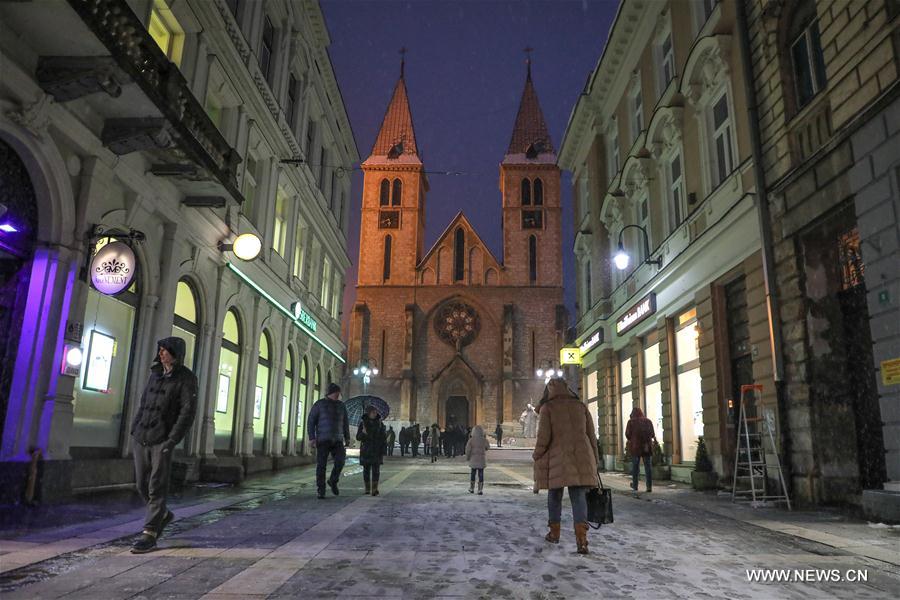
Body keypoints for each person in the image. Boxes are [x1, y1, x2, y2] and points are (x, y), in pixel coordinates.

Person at [129, 337, 197, 554]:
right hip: (142, 436)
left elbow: (187, 412)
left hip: (162, 439)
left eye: (165, 350)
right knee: (141, 484)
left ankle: (150, 532)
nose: (161, 354)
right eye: (159, 350)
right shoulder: (155, 374)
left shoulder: (186, 378)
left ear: (175, 353)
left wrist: (172, 440)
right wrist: (134, 427)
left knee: (156, 485)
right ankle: (163, 515)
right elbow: (144, 401)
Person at [532, 377, 599, 555]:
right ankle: (582, 540)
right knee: (579, 497)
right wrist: (595, 459)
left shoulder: (549, 408)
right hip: (581, 457)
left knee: (555, 495)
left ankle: (554, 533)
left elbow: (543, 438)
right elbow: (591, 435)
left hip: (558, 459)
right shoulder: (580, 406)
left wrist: (537, 454)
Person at [307, 382, 351, 499]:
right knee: (321, 465)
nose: (338, 395)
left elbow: (345, 422)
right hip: (323, 439)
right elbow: (311, 421)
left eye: (339, 393)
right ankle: (321, 489)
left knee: (340, 461)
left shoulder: (341, 406)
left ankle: (333, 480)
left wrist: (347, 437)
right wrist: (312, 438)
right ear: (331, 393)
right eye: (337, 393)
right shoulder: (319, 405)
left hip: (337, 439)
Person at [356, 406, 386, 496]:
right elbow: (358, 437)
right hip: (366, 450)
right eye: (373, 412)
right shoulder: (363, 424)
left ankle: (374, 489)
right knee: (366, 470)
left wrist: (384, 449)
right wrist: (363, 433)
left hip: (377, 450)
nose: (375, 413)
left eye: (375, 412)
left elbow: (383, 438)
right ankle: (367, 488)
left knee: (376, 470)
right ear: (368, 413)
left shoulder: (380, 424)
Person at [625, 407, 656, 495]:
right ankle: (649, 487)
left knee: (635, 467)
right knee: (648, 467)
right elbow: (652, 434)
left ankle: (635, 485)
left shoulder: (631, 422)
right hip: (647, 447)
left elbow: (627, 434)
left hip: (636, 447)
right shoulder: (648, 421)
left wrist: (633, 438)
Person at [466, 425, 489, 494]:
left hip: (473, 459)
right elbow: (487, 447)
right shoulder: (484, 440)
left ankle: (472, 488)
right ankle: (480, 489)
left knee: (473, 473)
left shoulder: (471, 440)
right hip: (481, 459)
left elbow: (467, 450)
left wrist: (468, 457)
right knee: (481, 474)